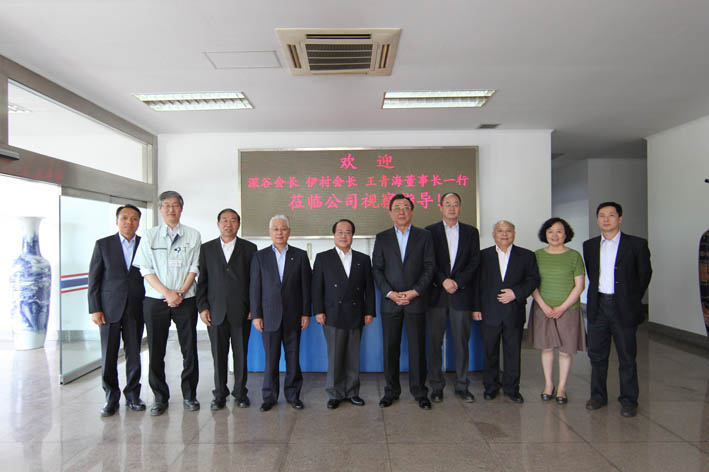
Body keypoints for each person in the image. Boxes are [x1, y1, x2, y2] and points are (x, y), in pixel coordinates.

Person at [132, 190, 201, 416]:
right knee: (156, 350)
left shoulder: (193, 235)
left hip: (186, 299)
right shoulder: (149, 236)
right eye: (167, 205)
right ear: (160, 209)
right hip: (155, 300)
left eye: (175, 205)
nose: (171, 209)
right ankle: (160, 397)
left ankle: (190, 394)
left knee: (189, 349)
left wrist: (180, 292)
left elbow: (194, 267)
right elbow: (145, 269)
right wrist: (167, 293)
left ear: (181, 208)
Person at [584, 202, 652, 418]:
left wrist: (630, 298)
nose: (606, 219)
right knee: (597, 355)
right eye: (602, 215)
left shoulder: (636, 244)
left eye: (611, 215)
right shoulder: (590, 245)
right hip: (598, 306)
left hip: (624, 307)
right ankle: (598, 396)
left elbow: (644, 274)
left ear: (620, 218)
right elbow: (593, 274)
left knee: (627, 356)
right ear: (597, 219)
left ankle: (629, 400)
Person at [372, 194, 435, 410]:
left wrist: (414, 292)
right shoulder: (382, 237)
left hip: (416, 301)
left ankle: (420, 392)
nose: (402, 211)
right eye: (397, 207)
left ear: (412, 212)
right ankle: (391, 391)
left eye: (406, 207)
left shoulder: (424, 236)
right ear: (390, 213)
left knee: (417, 348)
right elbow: (377, 269)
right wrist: (390, 293)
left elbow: (429, 267)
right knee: (391, 348)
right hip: (390, 302)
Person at [196, 209, 257, 410]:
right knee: (218, 355)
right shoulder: (206, 249)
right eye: (224, 220)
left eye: (232, 220)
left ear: (238, 224)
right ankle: (220, 394)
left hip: (242, 311)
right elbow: (202, 281)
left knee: (241, 355)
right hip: (215, 312)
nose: (228, 224)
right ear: (218, 224)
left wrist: (253, 307)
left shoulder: (249, 248)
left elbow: (254, 282)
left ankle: (240, 393)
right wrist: (202, 307)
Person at [88, 204, 146, 417]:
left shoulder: (144, 244)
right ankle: (111, 397)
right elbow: (94, 279)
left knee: (134, 353)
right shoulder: (103, 245)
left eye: (134, 219)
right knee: (109, 354)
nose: (129, 222)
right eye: (124, 218)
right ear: (117, 221)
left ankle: (133, 395)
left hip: (136, 308)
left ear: (138, 222)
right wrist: (95, 308)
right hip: (109, 308)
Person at [250, 215, 312, 411]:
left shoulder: (300, 256)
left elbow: (306, 288)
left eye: (283, 229)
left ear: (289, 232)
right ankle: (269, 397)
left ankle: (293, 396)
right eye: (275, 229)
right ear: (270, 232)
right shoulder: (259, 257)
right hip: (269, 316)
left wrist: (305, 313)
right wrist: (256, 315)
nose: (279, 232)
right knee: (271, 359)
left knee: (293, 359)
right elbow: (255, 288)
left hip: (294, 316)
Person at [473, 220, 539, 403]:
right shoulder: (483, 256)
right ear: (494, 234)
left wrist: (515, 293)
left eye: (508, 231)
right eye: (500, 231)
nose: (504, 234)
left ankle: (512, 388)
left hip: (513, 311)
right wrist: (476, 307)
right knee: (490, 352)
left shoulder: (527, 256)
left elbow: (533, 280)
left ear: (514, 234)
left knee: (513, 352)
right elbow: (476, 284)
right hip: (489, 311)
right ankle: (491, 387)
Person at [312, 219, 376, 409]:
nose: (343, 236)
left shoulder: (363, 259)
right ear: (334, 235)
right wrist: (318, 311)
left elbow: (369, 289)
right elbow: (317, 287)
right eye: (340, 232)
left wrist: (369, 311)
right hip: (332, 313)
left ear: (352, 236)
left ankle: (352, 392)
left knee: (353, 355)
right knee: (335, 356)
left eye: (347, 232)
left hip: (356, 313)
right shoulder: (323, 258)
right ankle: (335, 393)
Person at [425, 192, 480, 403]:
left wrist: (457, 282)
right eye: (447, 204)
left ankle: (462, 385)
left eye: (455, 204)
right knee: (435, 342)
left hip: (461, 294)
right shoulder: (429, 232)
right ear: (440, 207)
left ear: (460, 207)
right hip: (436, 295)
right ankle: (436, 386)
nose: (451, 208)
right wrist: (443, 280)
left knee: (461, 342)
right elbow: (429, 261)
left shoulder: (471, 232)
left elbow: (474, 262)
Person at [528, 217, 586, 404]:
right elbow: (531, 283)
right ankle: (548, 385)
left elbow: (579, 286)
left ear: (566, 234)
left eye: (559, 231)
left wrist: (562, 308)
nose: (555, 235)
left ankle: (561, 387)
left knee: (565, 351)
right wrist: (544, 306)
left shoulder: (574, 256)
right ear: (545, 234)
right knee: (546, 348)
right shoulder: (536, 256)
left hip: (568, 310)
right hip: (543, 309)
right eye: (550, 231)